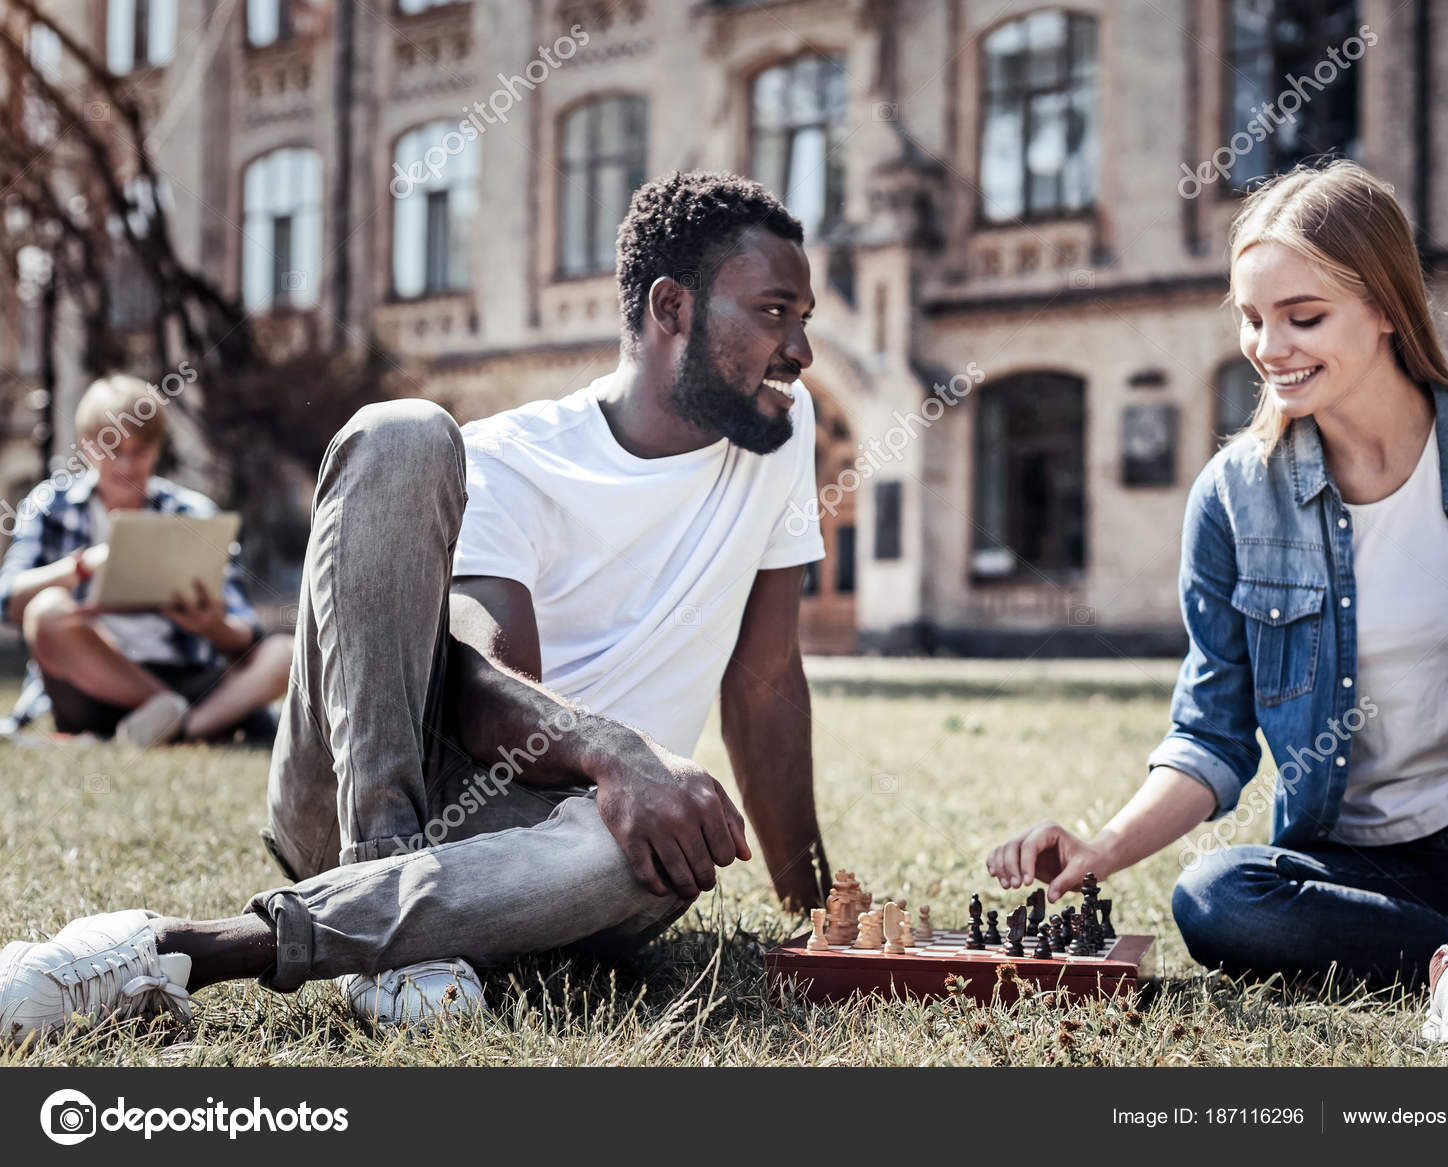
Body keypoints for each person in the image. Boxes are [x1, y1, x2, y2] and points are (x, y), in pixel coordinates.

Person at [0, 171, 831, 1043]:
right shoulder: (513, 461)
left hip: (557, 855)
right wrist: (614, 748)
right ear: (673, 308)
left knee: (656, 852)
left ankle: (191, 949)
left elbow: (768, 679)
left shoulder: (781, 426)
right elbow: (466, 685)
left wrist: (817, 908)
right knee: (400, 432)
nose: (800, 347)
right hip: (377, 787)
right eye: (775, 311)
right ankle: (379, 878)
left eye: (804, 316)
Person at [987, 161, 1448, 1050]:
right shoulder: (1237, 498)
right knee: (1217, 897)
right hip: (1370, 870)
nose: (1269, 346)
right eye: (1251, 317)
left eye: (1303, 317)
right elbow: (1212, 733)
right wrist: (1100, 848)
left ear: (1389, 306)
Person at [0, 374, 292, 746]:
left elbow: (246, 638)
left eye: (139, 450)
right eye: (113, 449)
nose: (126, 465)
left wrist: (212, 625)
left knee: (285, 652)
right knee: (45, 610)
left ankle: (181, 727)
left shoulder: (194, 513)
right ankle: (176, 717)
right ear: (87, 446)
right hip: (90, 681)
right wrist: (81, 567)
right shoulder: (49, 505)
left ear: (157, 449)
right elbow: (7, 600)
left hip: (185, 674)